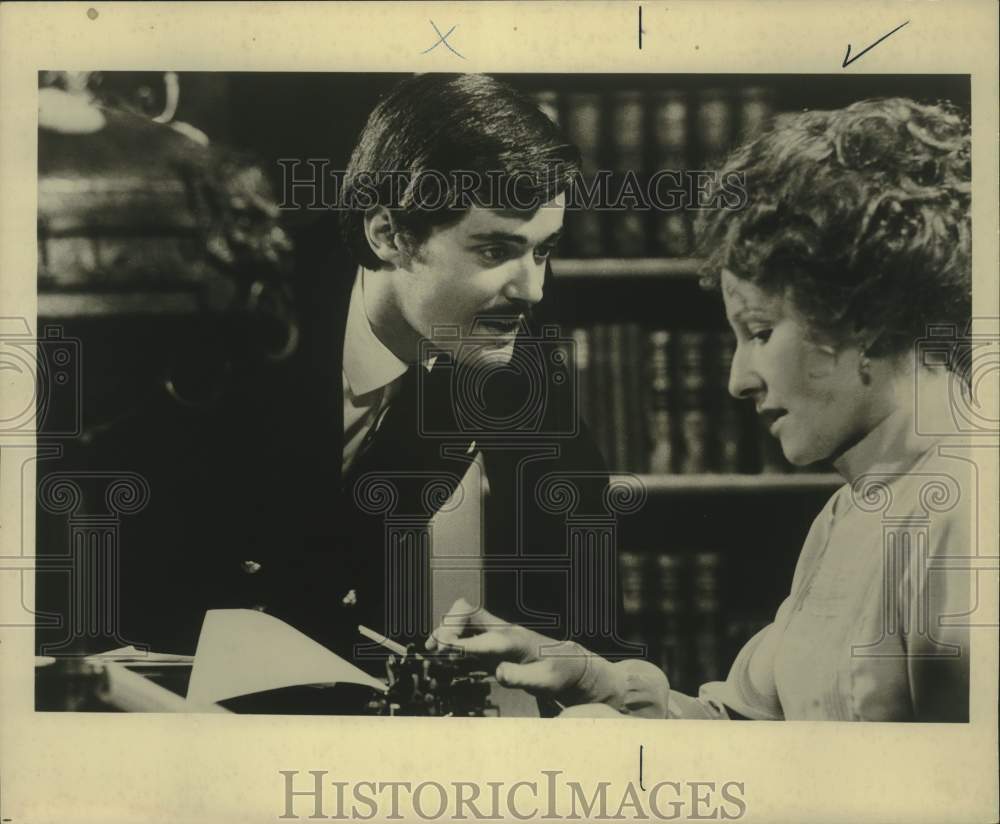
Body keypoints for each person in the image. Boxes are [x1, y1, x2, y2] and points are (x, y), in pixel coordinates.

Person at [50, 73, 627, 694]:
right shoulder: (237, 307)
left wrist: (552, 650)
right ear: (388, 235)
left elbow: (583, 581)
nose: (532, 289)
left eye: (543, 251)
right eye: (494, 251)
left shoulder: (502, 348)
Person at [428, 97, 974, 722]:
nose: (740, 380)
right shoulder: (850, 512)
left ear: (871, 320)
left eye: (761, 332)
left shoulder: (963, 516)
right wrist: (593, 680)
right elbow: (752, 726)